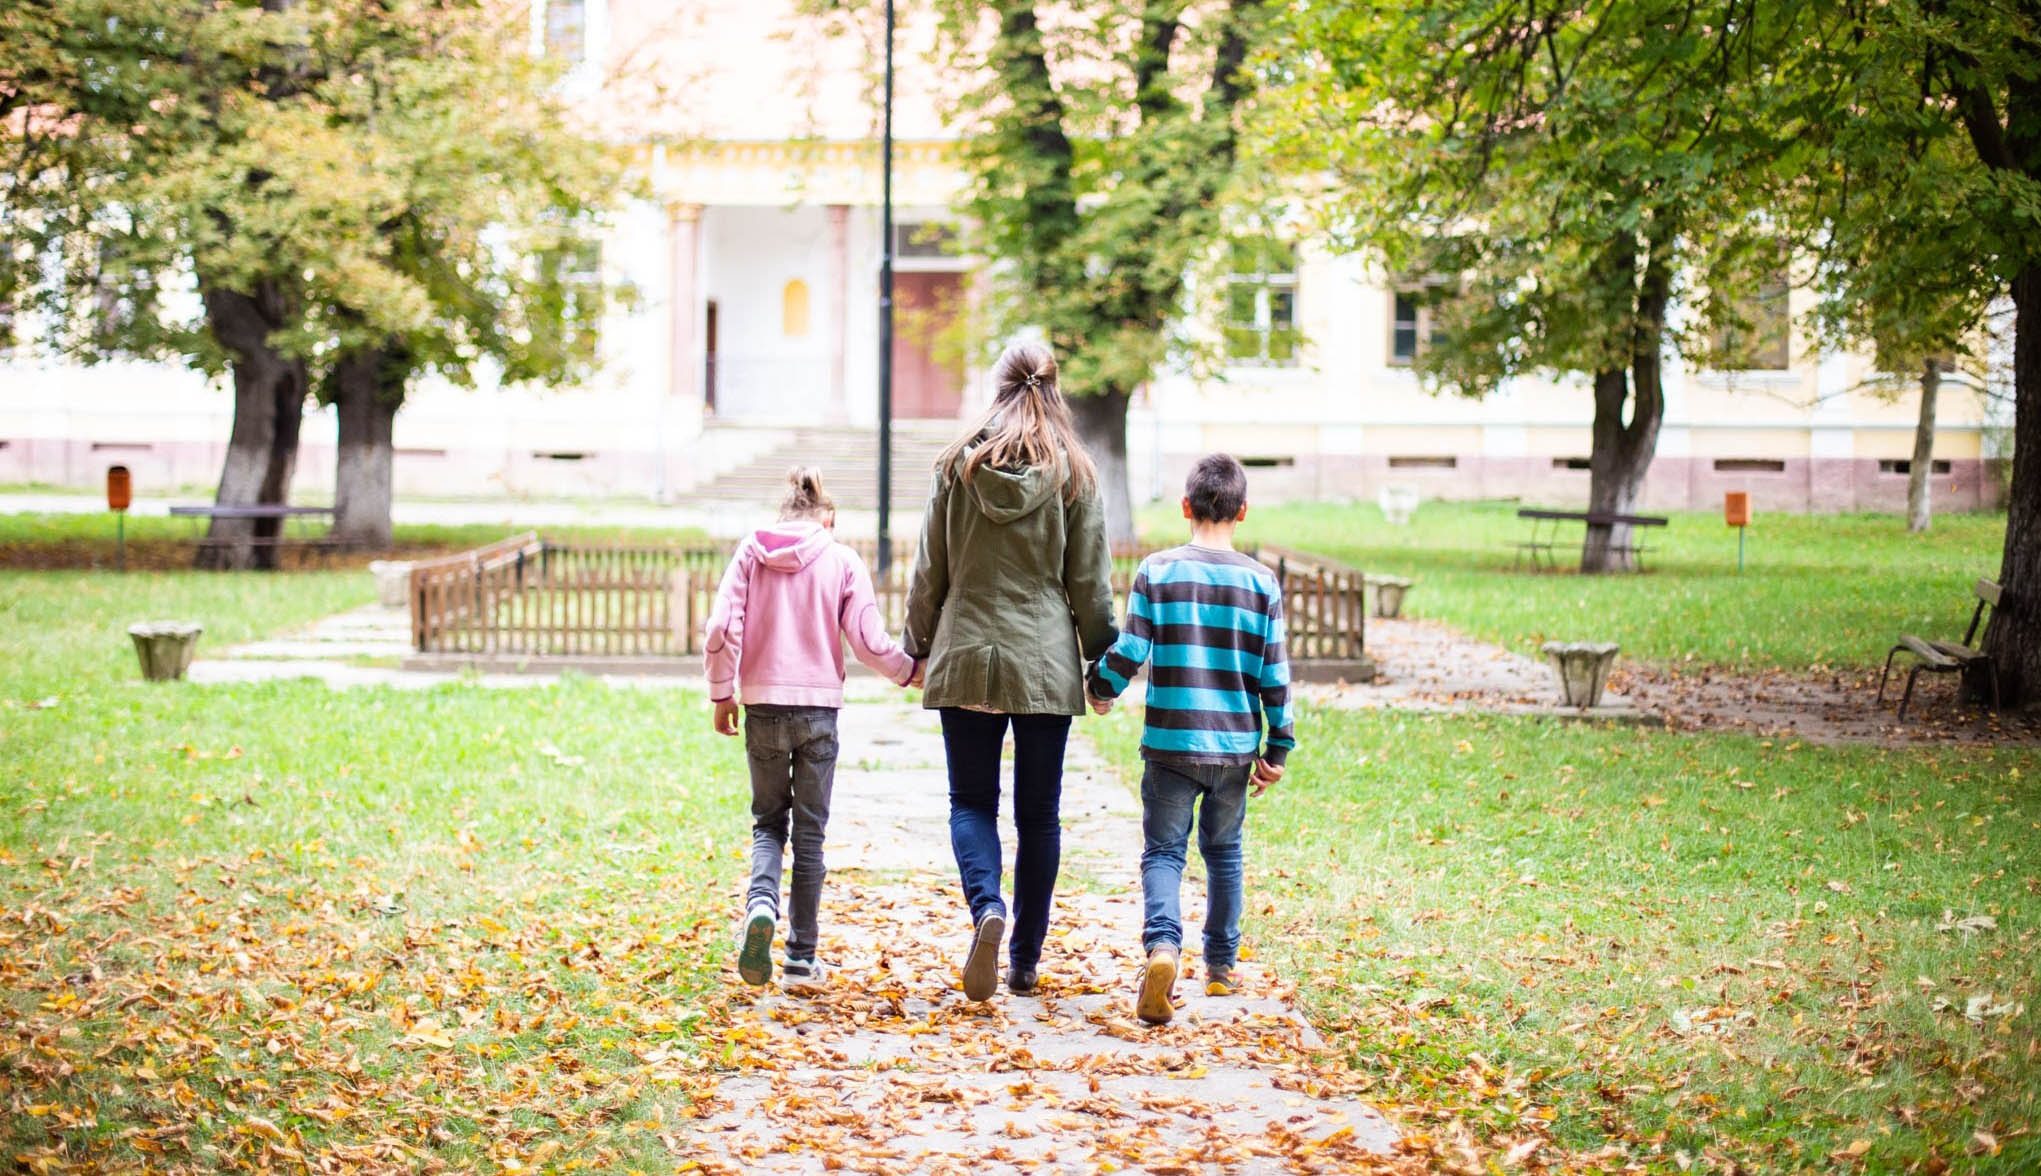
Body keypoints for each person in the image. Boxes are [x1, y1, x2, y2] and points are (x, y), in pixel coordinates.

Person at [904, 341, 1118, 1002]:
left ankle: (986, 908)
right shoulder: (1074, 473)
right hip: (1044, 662)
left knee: (970, 801)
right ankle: (1024, 959)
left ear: (995, 387)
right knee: (1039, 816)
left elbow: (928, 569)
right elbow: (1089, 582)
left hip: (967, 650)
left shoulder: (955, 466)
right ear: (1054, 389)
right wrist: (1101, 659)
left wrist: (916, 644)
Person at [1084, 453, 1293, 1025]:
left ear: (1185, 507)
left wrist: (1099, 686)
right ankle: (1221, 967)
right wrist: (1277, 749)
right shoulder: (1261, 582)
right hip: (1233, 747)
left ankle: (1163, 948)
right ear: (1242, 511)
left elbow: (1130, 650)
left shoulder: (1157, 570)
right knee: (1224, 853)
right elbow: (1275, 674)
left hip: (1172, 742)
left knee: (1164, 852)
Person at [704, 467, 919, 992]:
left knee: (767, 824)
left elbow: (718, 628)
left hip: (762, 709)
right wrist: (908, 672)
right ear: (827, 518)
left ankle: (760, 907)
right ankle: (802, 958)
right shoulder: (841, 558)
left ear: (784, 515)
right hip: (820, 712)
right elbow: (868, 639)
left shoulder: (751, 553)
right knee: (811, 836)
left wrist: (721, 692)